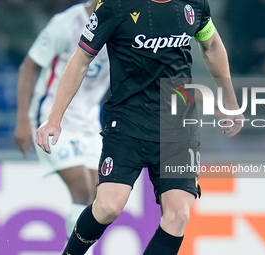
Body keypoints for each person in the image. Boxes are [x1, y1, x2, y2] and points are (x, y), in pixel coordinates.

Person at [36, 0, 244, 254]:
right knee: (108, 207)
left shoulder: (194, 5)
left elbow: (211, 46)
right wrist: (55, 117)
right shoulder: (116, 6)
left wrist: (230, 100)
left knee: (178, 215)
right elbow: (81, 58)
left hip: (177, 125)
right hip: (127, 120)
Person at [14, 0, 110, 241]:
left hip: (89, 125)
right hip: (51, 118)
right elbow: (29, 66)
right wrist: (23, 120)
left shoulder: (122, 27)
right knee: (83, 189)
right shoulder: (66, 23)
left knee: (97, 199)